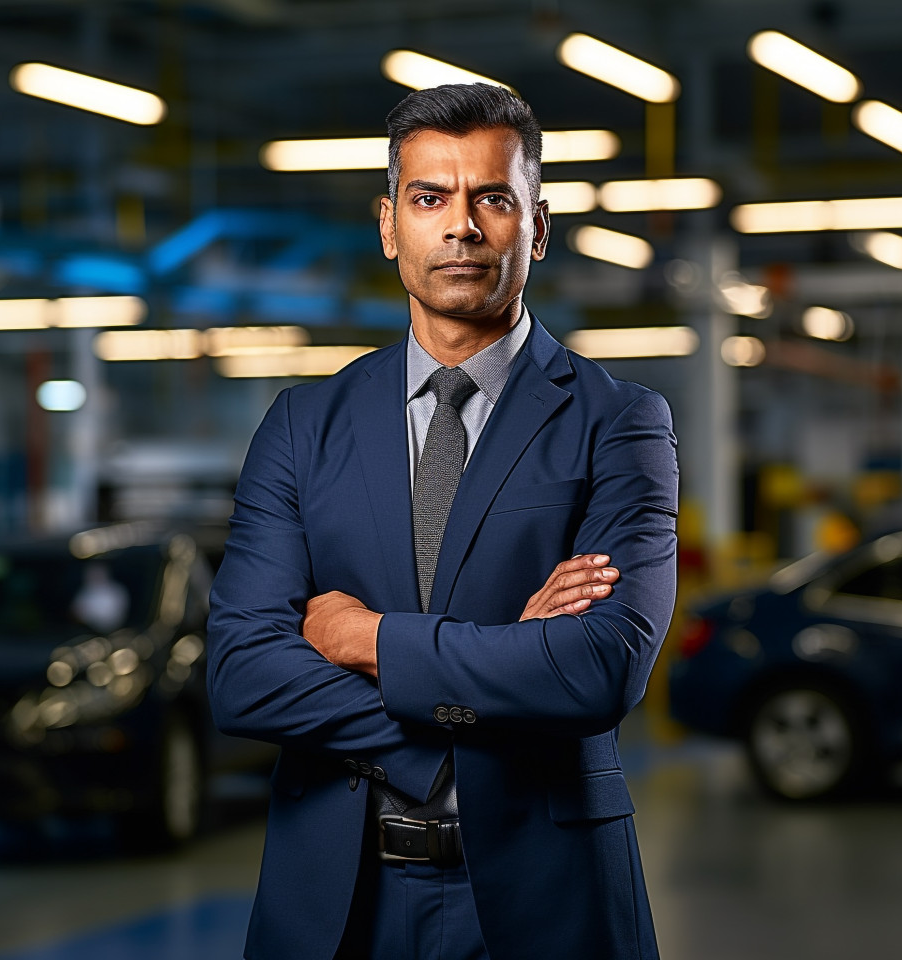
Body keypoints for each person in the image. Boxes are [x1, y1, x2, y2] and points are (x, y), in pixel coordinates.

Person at [208, 82, 677, 960]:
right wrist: (489, 685)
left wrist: (365, 636)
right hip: (336, 906)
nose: (459, 226)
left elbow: (596, 669)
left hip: (549, 902)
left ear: (537, 226)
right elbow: (243, 676)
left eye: (492, 198)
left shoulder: (621, 422)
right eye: (430, 199)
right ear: (390, 226)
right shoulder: (303, 426)